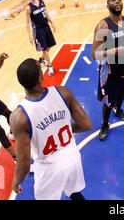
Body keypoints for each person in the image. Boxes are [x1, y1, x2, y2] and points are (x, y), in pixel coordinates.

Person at [10, 58, 92, 200]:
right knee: (75, 193)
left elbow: (24, 162)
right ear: (41, 77)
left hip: (49, 169)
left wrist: (16, 182)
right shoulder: (63, 93)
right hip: (72, 157)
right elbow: (86, 125)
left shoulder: (19, 117)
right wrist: (61, 127)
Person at [91, 0, 124, 141]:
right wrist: (115, 51)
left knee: (122, 93)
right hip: (110, 70)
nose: (117, 1)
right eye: (113, 0)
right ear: (107, 5)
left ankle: (119, 110)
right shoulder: (103, 26)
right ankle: (105, 123)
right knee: (109, 100)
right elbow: (94, 54)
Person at [25, 0, 57, 76]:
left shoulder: (41, 1)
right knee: (45, 48)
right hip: (38, 30)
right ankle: (50, 66)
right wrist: (30, 36)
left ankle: (42, 59)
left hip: (46, 26)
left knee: (50, 46)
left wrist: (52, 23)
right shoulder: (28, 8)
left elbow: (46, 13)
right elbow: (27, 23)